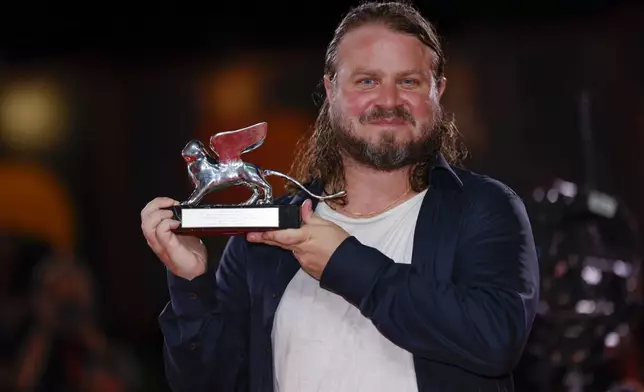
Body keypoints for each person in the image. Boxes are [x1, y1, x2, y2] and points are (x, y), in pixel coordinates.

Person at [141, 2, 540, 391]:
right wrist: (190, 282)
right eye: (367, 80)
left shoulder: (484, 208)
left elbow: (496, 341)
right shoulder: (266, 234)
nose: (388, 100)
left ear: (438, 91)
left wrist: (344, 262)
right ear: (331, 90)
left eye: (409, 82)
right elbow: (209, 383)